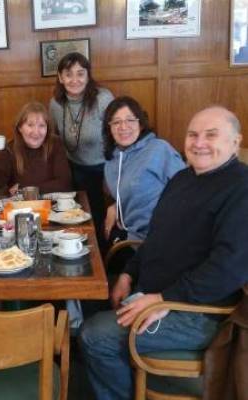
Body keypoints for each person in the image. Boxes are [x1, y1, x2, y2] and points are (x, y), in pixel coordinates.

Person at [80, 105, 248, 400]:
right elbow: (156, 238)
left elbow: (228, 269)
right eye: (193, 134)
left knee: (94, 335)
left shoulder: (241, 188)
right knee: (88, 306)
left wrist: (163, 299)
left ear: (235, 141)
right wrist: (128, 276)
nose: (199, 143)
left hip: (197, 313)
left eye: (211, 135)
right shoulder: (184, 179)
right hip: (155, 293)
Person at [49, 52, 114, 245]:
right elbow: (54, 139)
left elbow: (116, 137)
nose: (74, 79)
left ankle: (102, 260)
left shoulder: (103, 98)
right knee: (72, 218)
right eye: (68, 74)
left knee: (98, 217)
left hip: (104, 168)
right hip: (73, 168)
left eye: (80, 73)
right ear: (60, 78)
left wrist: (110, 174)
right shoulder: (55, 103)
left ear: (88, 76)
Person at [103, 96, 185, 243]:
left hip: (161, 238)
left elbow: (187, 189)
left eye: (130, 120)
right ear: (109, 128)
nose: (123, 127)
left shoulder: (159, 149)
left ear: (140, 124)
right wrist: (115, 206)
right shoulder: (111, 161)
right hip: (129, 235)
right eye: (116, 122)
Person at [0, 101, 72, 195]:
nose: (36, 132)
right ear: (20, 127)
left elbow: (65, 183)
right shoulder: (10, 149)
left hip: (53, 205)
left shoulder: (55, 144)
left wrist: (24, 188)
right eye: (30, 125)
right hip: (20, 208)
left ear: (47, 128)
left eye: (42, 125)